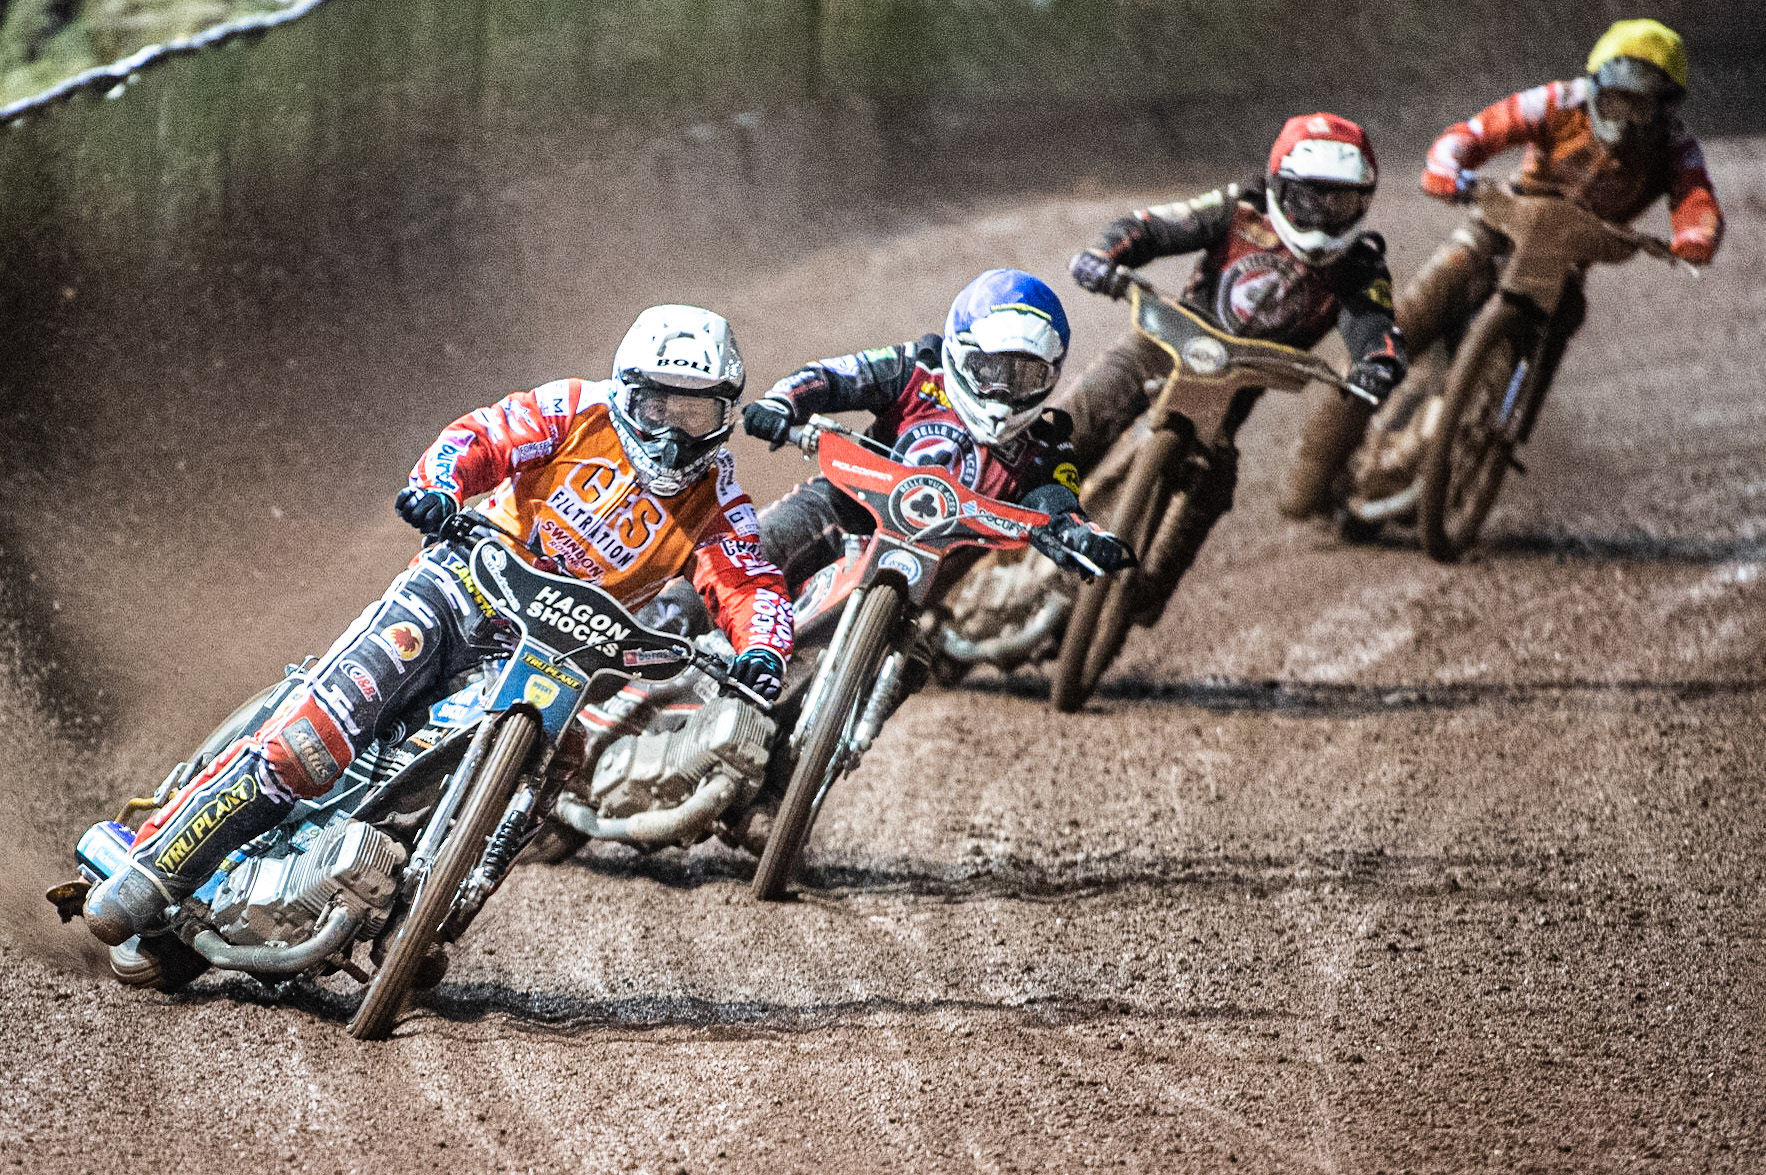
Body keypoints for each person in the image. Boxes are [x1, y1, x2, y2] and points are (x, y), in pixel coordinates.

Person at [83, 305, 794, 946]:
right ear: (625, 390)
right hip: (463, 591)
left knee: (554, 765)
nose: (672, 435)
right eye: (657, 406)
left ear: (725, 417)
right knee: (315, 740)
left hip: (555, 662)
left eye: (695, 415)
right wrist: (439, 483)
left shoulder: (721, 502)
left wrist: (762, 648)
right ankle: (157, 866)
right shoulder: (577, 409)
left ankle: (436, 914)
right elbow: (483, 435)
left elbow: (749, 582)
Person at [1289, 19, 1726, 511]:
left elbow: (1697, 197)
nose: (1624, 119)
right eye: (1617, 100)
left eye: (1640, 105)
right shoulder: (1559, 101)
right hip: (1502, 228)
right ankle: (1312, 472)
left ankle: (1502, 429)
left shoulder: (1677, 145)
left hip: (1567, 261)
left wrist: (1695, 234)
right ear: (1597, 86)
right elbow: (1478, 131)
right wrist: (1447, 168)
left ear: (1664, 108)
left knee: (1563, 318)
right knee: (1404, 322)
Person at [1065, 112, 1406, 575]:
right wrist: (1104, 255)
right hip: (1162, 346)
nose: (1322, 217)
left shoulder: (1360, 266)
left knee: (1212, 486)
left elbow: (1374, 325)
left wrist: (1379, 363)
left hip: (1233, 392)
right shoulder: (1239, 207)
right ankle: (987, 515)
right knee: (1071, 425)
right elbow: (1157, 226)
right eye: (1308, 200)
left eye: (1339, 203)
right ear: (1278, 187)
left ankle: (1139, 595)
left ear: (1363, 204)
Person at [737, 268, 1135, 596]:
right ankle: (675, 621)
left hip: (918, 578)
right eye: (990, 369)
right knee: (745, 554)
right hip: (839, 509)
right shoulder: (918, 370)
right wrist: (781, 403)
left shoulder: (1046, 444)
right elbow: (833, 376)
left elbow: (1058, 506)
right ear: (959, 351)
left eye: (1026, 376)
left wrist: (1080, 537)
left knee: (910, 668)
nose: (1003, 392)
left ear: (1051, 376)